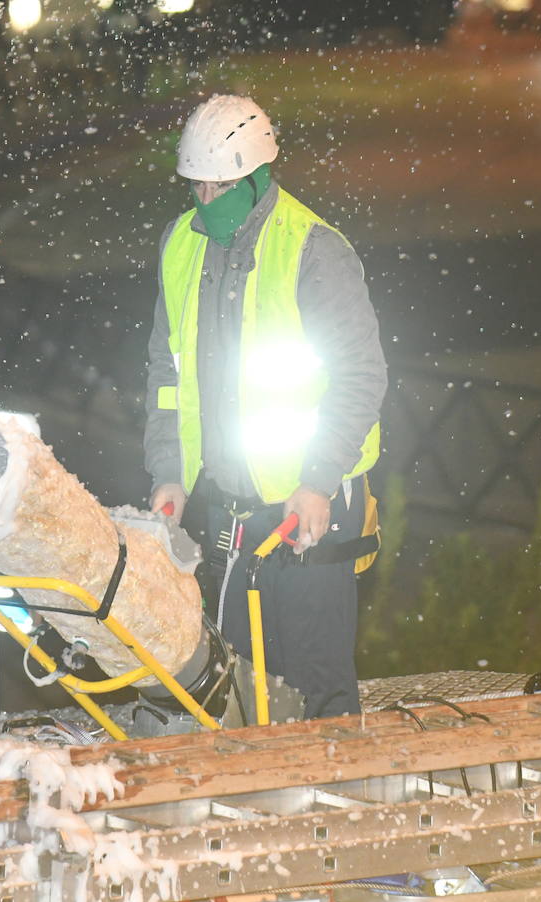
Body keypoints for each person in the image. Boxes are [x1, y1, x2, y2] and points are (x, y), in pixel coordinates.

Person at [143, 95, 388, 719]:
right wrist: (170, 473)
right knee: (237, 685)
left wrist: (316, 481)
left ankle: (332, 803)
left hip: (312, 504)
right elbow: (167, 373)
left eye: (220, 185)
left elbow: (359, 376)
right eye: (196, 185)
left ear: (257, 177)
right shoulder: (181, 245)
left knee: (312, 687)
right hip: (232, 508)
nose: (205, 199)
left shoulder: (314, 250)